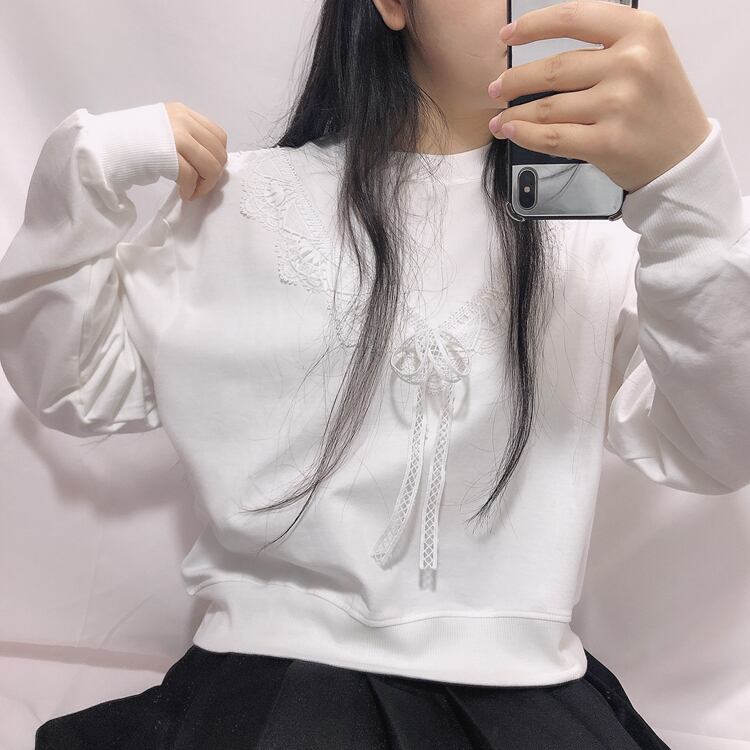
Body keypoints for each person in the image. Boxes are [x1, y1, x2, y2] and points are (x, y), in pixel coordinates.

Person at [1, 0, 748, 748]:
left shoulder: (598, 235)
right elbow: (75, 384)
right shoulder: (234, 204)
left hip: (522, 693)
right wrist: (85, 172)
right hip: (270, 687)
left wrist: (688, 187)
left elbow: (717, 446)